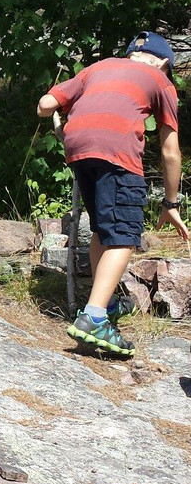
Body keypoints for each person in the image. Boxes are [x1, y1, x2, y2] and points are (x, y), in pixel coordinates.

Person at [37, 31, 188, 357]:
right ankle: (93, 318)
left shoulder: (99, 67)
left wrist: (60, 122)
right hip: (116, 151)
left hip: (77, 148)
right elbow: (170, 151)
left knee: (104, 231)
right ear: (164, 62)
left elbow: (45, 104)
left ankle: (102, 305)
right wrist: (171, 202)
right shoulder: (160, 81)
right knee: (124, 236)